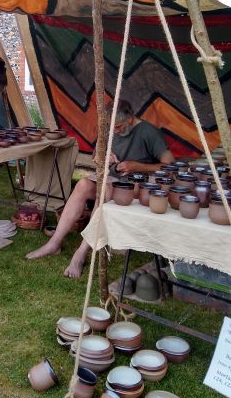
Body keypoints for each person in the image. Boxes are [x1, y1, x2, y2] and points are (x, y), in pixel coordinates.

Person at [26, 100, 174, 277]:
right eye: (112, 128)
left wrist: (137, 166)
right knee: (83, 185)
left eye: (119, 127)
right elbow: (96, 155)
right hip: (111, 179)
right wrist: (104, 156)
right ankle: (54, 243)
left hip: (135, 187)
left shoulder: (148, 132)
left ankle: (81, 252)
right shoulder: (109, 128)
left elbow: (170, 165)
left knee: (103, 191)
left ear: (131, 118)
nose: (116, 131)